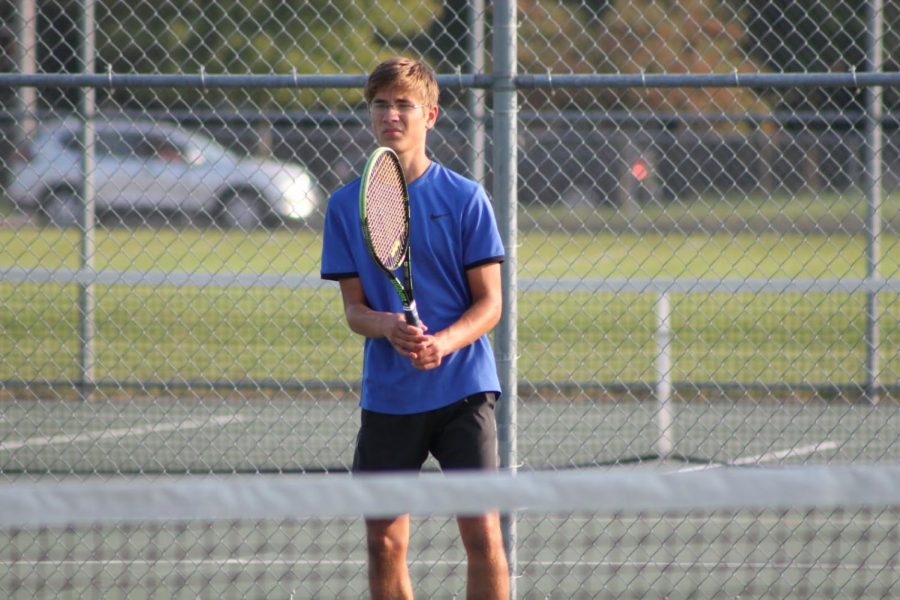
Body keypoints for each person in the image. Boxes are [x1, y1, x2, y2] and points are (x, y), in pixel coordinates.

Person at [320, 56, 510, 600]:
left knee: (482, 533)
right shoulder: (343, 206)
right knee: (384, 542)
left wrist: (444, 342)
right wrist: (388, 327)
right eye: (381, 105)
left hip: (464, 391)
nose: (391, 115)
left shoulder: (466, 198)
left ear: (430, 114)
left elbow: (490, 304)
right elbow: (354, 310)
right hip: (389, 397)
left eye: (404, 105)